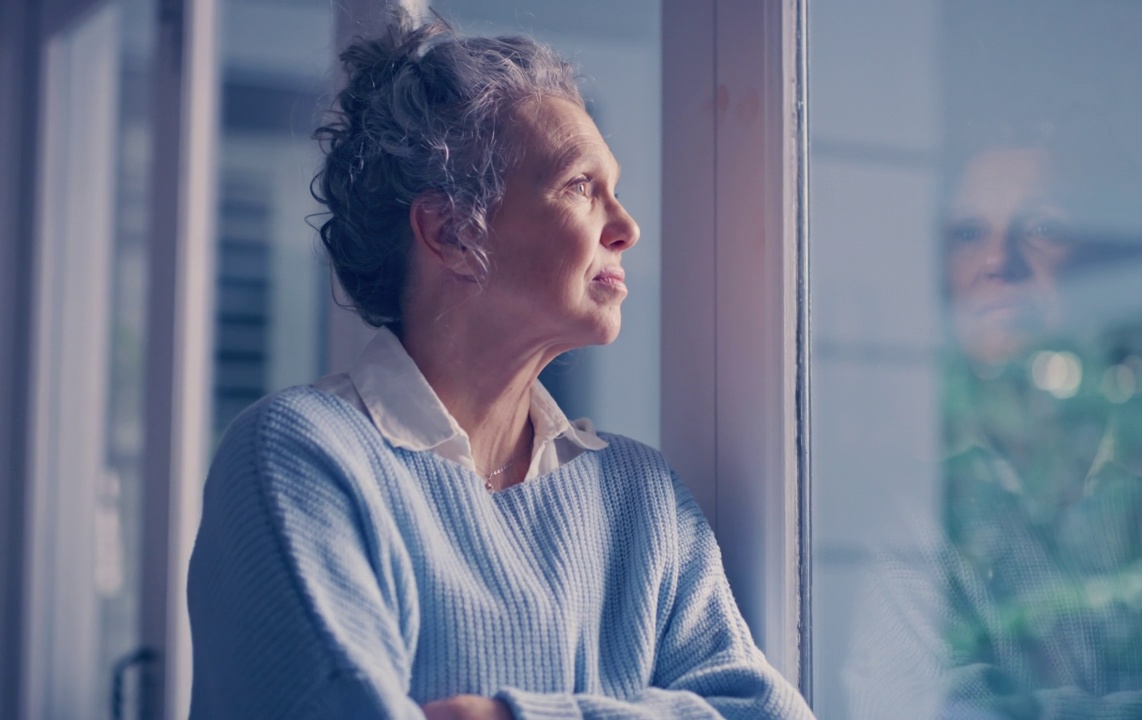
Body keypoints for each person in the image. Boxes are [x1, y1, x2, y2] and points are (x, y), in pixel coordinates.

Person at [186, 17, 813, 720]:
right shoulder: (299, 455)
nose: (626, 226)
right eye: (580, 186)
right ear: (451, 233)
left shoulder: (644, 499)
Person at [845, 140, 1142, 719]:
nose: (998, 260)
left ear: (1115, 266)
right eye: (969, 233)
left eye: (1044, 227)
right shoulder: (922, 518)